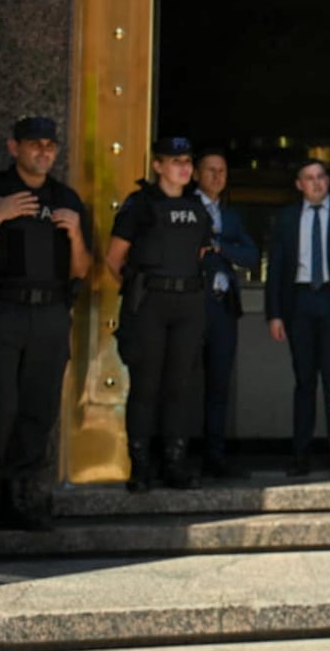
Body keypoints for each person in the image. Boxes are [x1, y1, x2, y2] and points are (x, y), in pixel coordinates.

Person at [0, 116, 92, 531]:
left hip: (50, 314)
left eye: (50, 146)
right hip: (3, 311)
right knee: (0, 408)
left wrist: (74, 236)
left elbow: (81, 270)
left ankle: (20, 499)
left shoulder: (65, 198)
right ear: (14, 147)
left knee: (38, 410)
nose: (44, 152)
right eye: (35, 144)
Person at [106, 135, 211, 492]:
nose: (184, 167)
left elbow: (200, 254)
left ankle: (175, 463)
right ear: (157, 166)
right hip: (149, 305)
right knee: (146, 386)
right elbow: (114, 260)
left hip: (188, 304)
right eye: (175, 161)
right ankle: (141, 466)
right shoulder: (140, 205)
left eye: (187, 162)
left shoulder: (198, 208)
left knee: (180, 387)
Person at [265, 159, 330, 477]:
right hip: (300, 303)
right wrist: (274, 314)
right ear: (299, 184)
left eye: (321, 177)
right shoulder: (287, 218)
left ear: (328, 180)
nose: (316, 183)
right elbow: (276, 268)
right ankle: (300, 454)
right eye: (309, 178)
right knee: (304, 381)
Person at [193, 147, 259, 478]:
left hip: (222, 307)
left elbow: (250, 255)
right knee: (181, 384)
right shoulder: (187, 207)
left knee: (219, 385)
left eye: (222, 171)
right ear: (195, 174)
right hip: (189, 306)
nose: (218, 177)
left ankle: (214, 456)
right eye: (210, 170)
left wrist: (219, 247)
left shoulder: (230, 216)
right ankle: (172, 456)